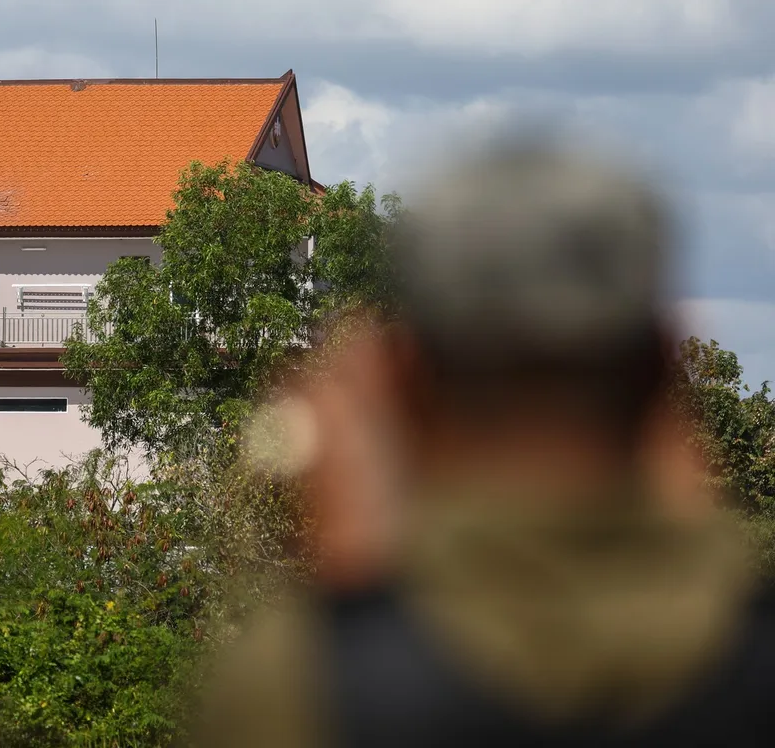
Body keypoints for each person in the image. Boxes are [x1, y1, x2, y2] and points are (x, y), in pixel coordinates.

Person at [194, 135, 775, 746]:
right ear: (662, 368)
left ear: (406, 379)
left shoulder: (303, 685)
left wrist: (358, 608)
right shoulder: (741, 653)